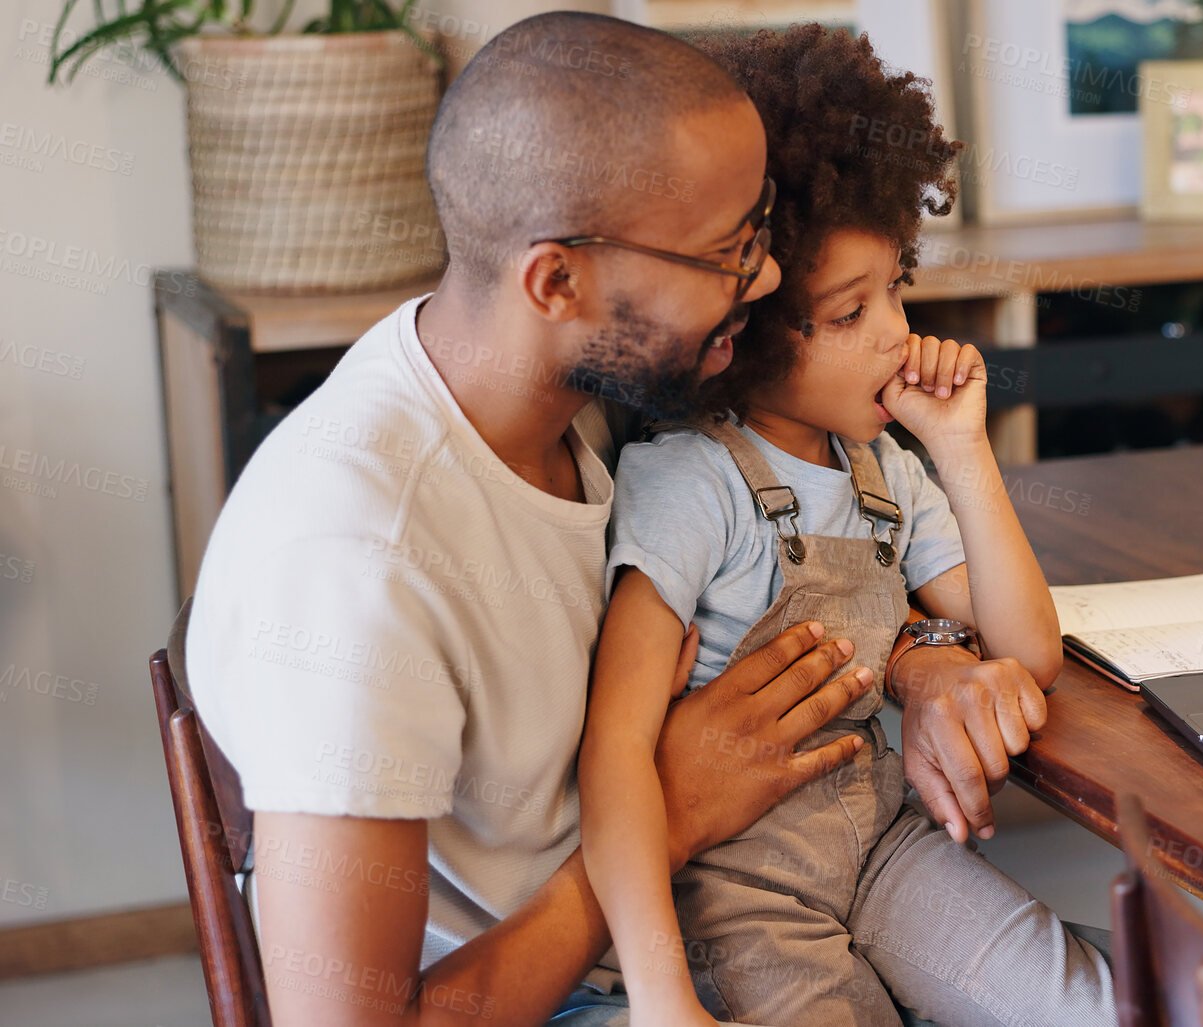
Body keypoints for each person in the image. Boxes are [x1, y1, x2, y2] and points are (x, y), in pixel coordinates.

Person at [183, 14, 987, 1024]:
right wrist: (671, 815)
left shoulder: (597, 396)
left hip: (730, 909)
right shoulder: (356, 564)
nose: (770, 276)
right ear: (557, 280)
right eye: (730, 250)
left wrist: (922, 651)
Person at [578, 25, 1115, 1027]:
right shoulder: (687, 483)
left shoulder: (887, 472)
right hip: (742, 898)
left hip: (884, 851)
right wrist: (661, 998)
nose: (898, 335)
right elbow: (613, 754)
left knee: (1098, 1003)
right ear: (747, 331)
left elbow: (1028, 647)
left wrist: (963, 448)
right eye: (850, 312)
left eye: (897, 291)